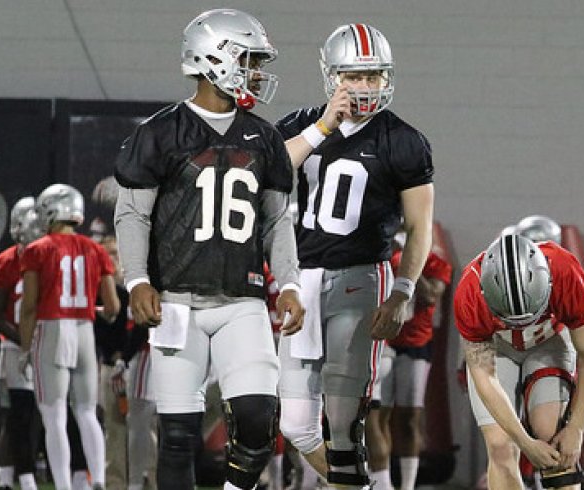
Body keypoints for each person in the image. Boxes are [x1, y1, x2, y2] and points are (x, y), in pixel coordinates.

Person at [112, 8, 304, 490]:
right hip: (176, 300)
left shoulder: (265, 138)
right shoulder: (159, 133)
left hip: (243, 299)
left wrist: (290, 283)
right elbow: (132, 214)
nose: (257, 72)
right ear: (214, 57)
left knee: (259, 418)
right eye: (249, 59)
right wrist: (136, 279)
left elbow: (277, 222)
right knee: (178, 436)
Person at [275, 23, 435, 489]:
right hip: (302, 279)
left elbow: (420, 225)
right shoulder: (300, 124)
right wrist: (324, 127)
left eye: (374, 76)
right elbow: (269, 172)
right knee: (296, 425)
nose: (365, 87)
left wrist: (403, 290)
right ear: (331, 76)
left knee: (345, 425)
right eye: (354, 76)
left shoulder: (403, 139)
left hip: (361, 279)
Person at [456, 233, 584, 490]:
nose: (521, 325)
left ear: (548, 283)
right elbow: (485, 378)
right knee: (500, 446)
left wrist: (576, 428)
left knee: (554, 436)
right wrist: (523, 442)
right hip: (497, 349)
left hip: (548, 342)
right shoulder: (469, 293)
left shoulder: (566, 272)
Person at [18, 184, 121, 490]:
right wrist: (95, 308)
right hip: (85, 331)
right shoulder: (97, 249)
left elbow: (29, 308)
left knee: (54, 414)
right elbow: (113, 308)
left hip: (52, 330)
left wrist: (26, 349)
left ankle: (64, 485)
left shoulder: (38, 249)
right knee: (88, 411)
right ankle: (98, 479)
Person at [368, 234, 453, 490]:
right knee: (377, 416)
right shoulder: (386, 259)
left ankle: (407, 485)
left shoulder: (436, 264)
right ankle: (383, 482)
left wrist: (411, 265)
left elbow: (430, 296)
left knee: (409, 419)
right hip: (384, 344)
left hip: (415, 345)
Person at [0, 197, 45, 490]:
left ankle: (15, 476)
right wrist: (24, 340)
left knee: (35, 416)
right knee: (15, 416)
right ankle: (12, 477)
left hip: (44, 345)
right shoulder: (6, 261)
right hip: (14, 348)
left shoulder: (47, 257)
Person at [93, 235, 157, 490]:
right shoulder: (102, 292)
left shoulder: (140, 287)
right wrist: (116, 356)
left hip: (140, 361)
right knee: (115, 429)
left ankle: (149, 482)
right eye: (108, 254)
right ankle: (116, 484)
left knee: (145, 427)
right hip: (112, 366)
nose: (114, 259)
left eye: (117, 254)